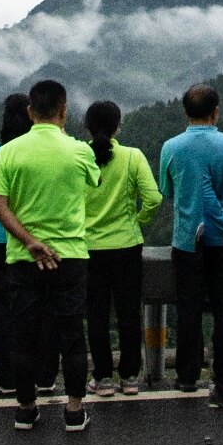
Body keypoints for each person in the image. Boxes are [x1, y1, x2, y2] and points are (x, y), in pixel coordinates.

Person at [0, 79, 100, 432]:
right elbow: (94, 182)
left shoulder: (8, 152)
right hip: (70, 255)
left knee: (23, 333)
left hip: (24, 258)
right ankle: (74, 410)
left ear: (29, 111)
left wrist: (30, 241)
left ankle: (26, 408)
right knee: (71, 332)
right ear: (64, 111)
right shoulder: (79, 150)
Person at [159, 83, 223, 408]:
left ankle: (187, 376)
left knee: (189, 309)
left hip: (187, 241)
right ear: (216, 112)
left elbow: (167, 190)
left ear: (185, 112)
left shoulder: (171, 147)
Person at [81, 100, 160, 397]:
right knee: (128, 312)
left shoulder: (78, 156)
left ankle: (102, 377)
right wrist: (136, 221)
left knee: (97, 314)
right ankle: (129, 377)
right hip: (127, 246)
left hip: (88, 247)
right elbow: (153, 198)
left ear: (87, 127)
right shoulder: (132, 156)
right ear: (118, 127)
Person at [0, 93, 34, 396]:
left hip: (0, 237)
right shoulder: (36, 150)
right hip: (36, 238)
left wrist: (2, 219)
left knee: (4, 308)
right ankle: (39, 375)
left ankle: (5, 377)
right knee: (38, 306)